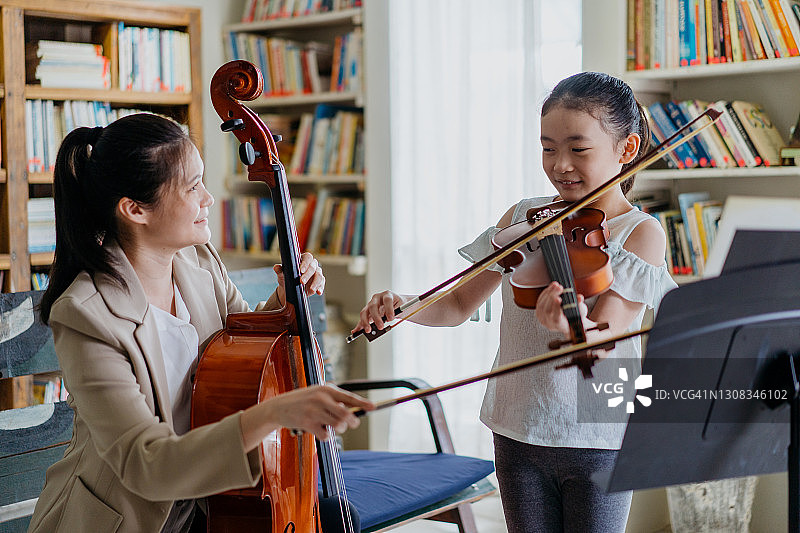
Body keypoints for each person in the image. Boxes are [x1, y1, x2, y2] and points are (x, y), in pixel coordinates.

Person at [353, 72, 678, 533]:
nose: (560, 164)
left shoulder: (639, 233)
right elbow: (457, 305)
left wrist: (569, 327)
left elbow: (608, 334)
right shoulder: (523, 218)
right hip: (517, 427)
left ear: (626, 149)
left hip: (598, 436)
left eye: (578, 148)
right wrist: (403, 306)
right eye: (548, 148)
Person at [28, 113, 374, 533]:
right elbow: (146, 465)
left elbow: (240, 349)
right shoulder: (85, 314)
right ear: (135, 209)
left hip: (209, 504)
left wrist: (284, 303)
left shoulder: (200, 260)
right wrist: (272, 414)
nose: (208, 199)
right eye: (193, 187)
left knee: (342, 519)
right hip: (128, 520)